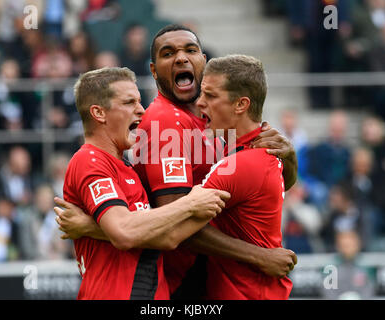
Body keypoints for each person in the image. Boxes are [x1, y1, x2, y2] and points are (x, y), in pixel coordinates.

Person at [56, 24, 298, 299]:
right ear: (154, 70)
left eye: (190, 50)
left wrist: (288, 158)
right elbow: (175, 224)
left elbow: (265, 185)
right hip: (186, 277)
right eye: (168, 53)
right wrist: (258, 256)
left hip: (215, 274)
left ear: (203, 61)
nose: (181, 58)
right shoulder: (165, 122)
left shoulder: (216, 122)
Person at [59, 66, 230, 300]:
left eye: (139, 101)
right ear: (99, 113)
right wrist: (190, 204)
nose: (141, 110)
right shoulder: (89, 161)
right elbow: (123, 231)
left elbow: (168, 237)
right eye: (129, 102)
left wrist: (92, 228)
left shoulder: (127, 168)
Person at [197, 54, 293, 299]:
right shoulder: (261, 152)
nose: (200, 103)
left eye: (210, 95)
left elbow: (180, 230)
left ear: (241, 105)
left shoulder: (242, 164)